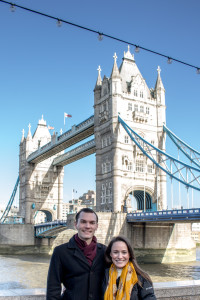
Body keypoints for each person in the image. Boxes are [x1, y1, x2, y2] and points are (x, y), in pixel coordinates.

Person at [46, 208, 106, 300]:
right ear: (75, 224)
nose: (87, 226)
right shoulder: (60, 252)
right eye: (83, 222)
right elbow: (53, 289)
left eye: (92, 223)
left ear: (96, 226)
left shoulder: (105, 251)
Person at [102, 236, 156, 300]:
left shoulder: (142, 278)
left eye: (124, 252)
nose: (120, 256)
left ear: (129, 254)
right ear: (110, 254)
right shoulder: (104, 275)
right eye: (115, 252)